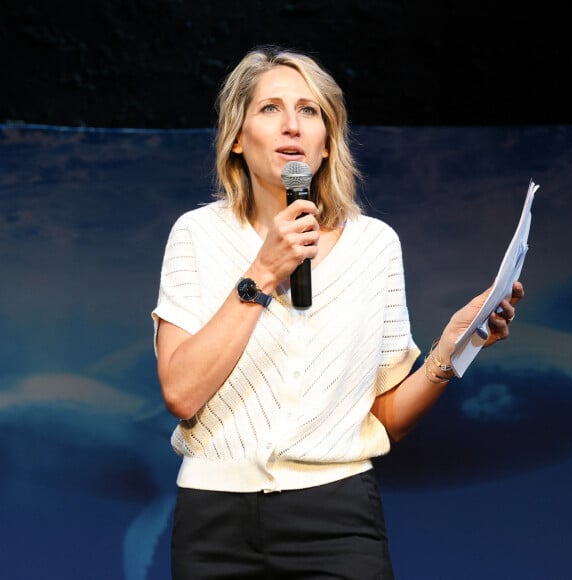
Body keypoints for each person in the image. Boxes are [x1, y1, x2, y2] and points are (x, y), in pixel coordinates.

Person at [152, 45, 524, 580]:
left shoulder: (374, 246)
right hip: (214, 520)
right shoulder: (196, 235)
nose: (291, 126)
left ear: (327, 145)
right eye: (269, 108)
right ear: (236, 138)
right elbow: (181, 393)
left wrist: (452, 348)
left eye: (309, 111)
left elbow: (387, 421)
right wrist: (262, 272)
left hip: (337, 517)